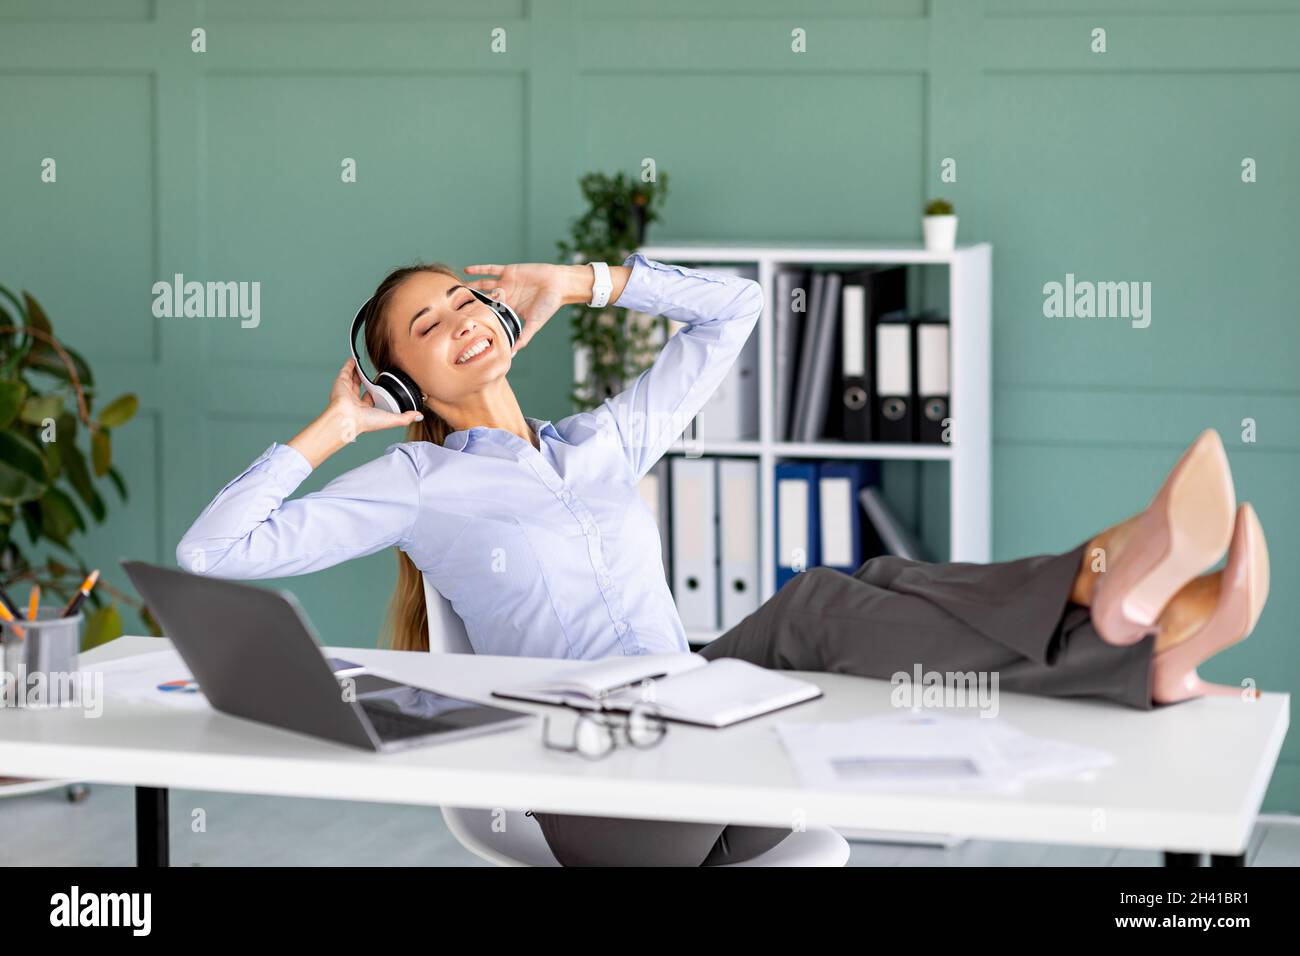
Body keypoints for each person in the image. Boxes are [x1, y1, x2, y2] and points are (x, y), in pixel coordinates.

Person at [176, 255, 1270, 866]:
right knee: (818, 623)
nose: (462, 315)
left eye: (464, 294)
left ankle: (1123, 626)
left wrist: (584, 281)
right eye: (426, 322)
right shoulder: (417, 483)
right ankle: (1107, 607)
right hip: (586, 759)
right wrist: (333, 428)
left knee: (840, 598)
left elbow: (738, 307)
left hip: (699, 707)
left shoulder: (601, 441)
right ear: (402, 382)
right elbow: (213, 548)